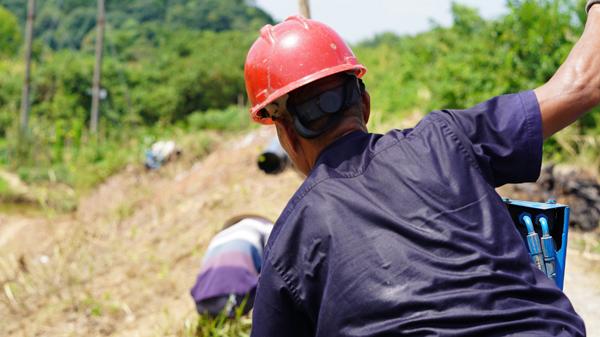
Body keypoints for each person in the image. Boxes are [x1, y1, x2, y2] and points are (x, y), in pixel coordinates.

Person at [242, 2, 600, 336]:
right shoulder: (447, 138)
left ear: (286, 133)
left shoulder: (289, 242)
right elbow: (585, 82)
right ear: (364, 104)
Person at [190, 214, 273, 317]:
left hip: (202, 303)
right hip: (239, 296)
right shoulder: (265, 227)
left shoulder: (218, 238)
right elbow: (278, 260)